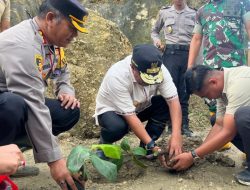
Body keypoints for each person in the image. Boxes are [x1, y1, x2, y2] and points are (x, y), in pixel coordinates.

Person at [0, 0, 88, 189]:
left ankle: (14, 155)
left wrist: (65, 90)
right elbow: (32, 103)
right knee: (14, 104)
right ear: (50, 18)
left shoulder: (49, 42)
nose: (75, 35)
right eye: (72, 28)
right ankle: (2, 164)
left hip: (17, 103)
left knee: (68, 111)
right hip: (9, 104)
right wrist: (55, 161)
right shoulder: (22, 44)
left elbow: (62, 71)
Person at [95, 44, 183, 158]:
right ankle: (104, 144)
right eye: (146, 78)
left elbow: (173, 102)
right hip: (112, 112)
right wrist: (152, 145)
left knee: (163, 104)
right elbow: (130, 116)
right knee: (117, 127)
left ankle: (146, 148)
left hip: (139, 107)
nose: (150, 82)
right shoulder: (117, 76)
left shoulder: (158, 69)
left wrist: (176, 135)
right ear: (133, 68)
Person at [170, 65, 250, 186]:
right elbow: (219, 125)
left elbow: (228, 133)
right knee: (217, 120)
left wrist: (192, 155)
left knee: (243, 116)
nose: (209, 98)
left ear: (213, 82)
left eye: (206, 95)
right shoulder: (222, 87)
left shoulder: (239, 83)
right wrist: (197, 154)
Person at [187, 0, 250, 150]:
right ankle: (224, 144)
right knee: (220, 117)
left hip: (236, 65)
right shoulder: (202, 11)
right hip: (212, 68)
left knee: (242, 116)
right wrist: (190, 68)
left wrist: (194, 156)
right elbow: (196, 38)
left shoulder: (241, 3)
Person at [151, 0, 196, 137]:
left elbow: (199, 37)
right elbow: (154, 31)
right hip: (170, 54)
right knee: (169, 90)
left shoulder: (194, 13)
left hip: (188, 55)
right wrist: (157, 41)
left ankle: (184, 126)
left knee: (185, 90)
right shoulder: (164, 12)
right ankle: (169, 126)